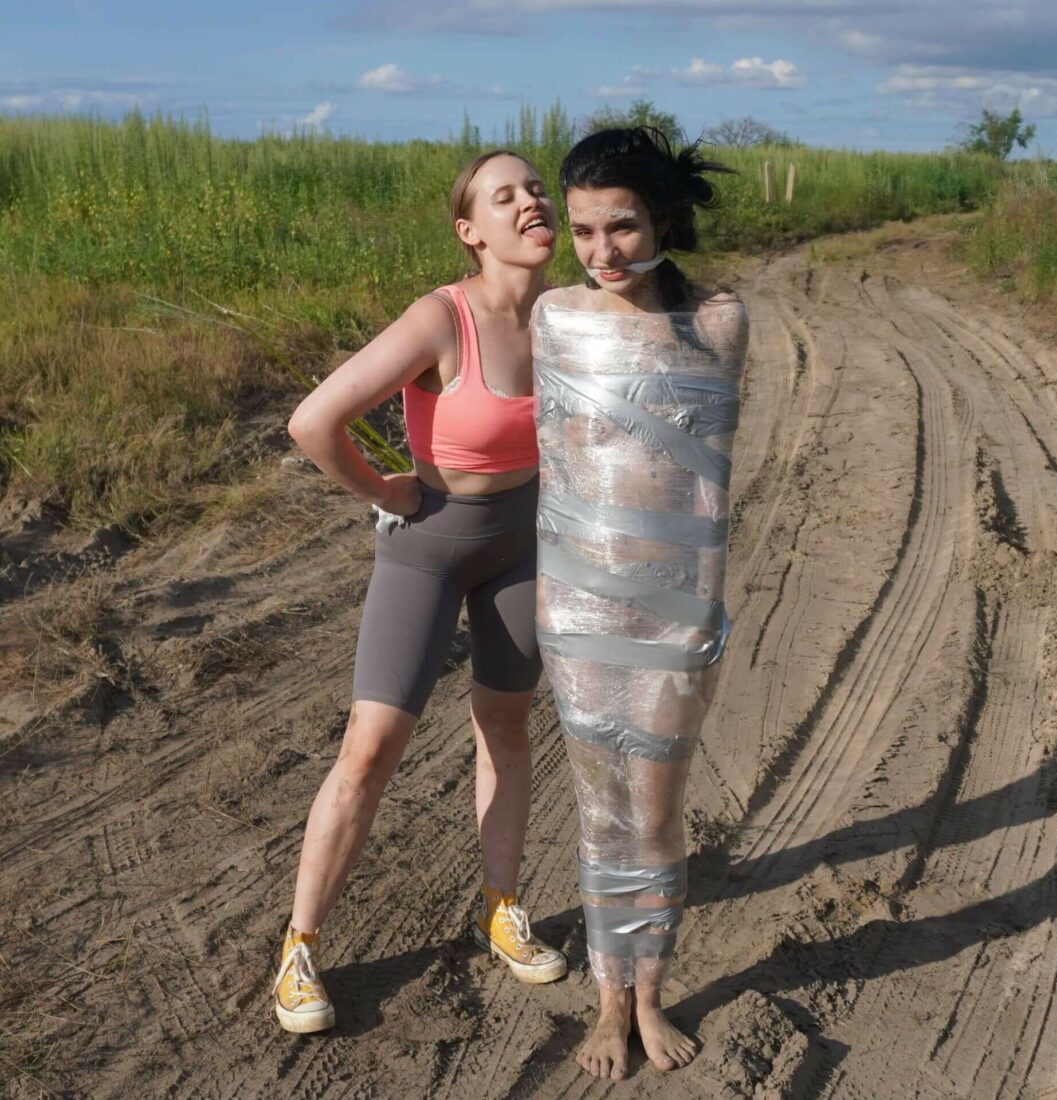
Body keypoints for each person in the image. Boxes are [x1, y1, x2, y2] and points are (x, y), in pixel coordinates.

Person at [272, 151, 567, 1035]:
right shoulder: (440, 319)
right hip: (430, 549)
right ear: (471, 233)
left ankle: (501, 906)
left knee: (507, 728)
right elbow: (312, 421)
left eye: (536, 189)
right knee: (371, 747)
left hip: (522, 543)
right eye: (504, 195)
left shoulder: (568, 319)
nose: (530, 202)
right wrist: (385, 490)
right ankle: (299, 949)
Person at [532, 127, 748, 1079]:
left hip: (671, 612)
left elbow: (710, 490)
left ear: (663, 219)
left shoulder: (718, 321)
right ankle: (607, 1002)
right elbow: (547, 455)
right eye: (583, 232)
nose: (601, 253)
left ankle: (652, 994)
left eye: (622, 227)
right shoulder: (553, 319)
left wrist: (701, 617)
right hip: (576, 608)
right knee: (595, 807)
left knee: (655, 813)